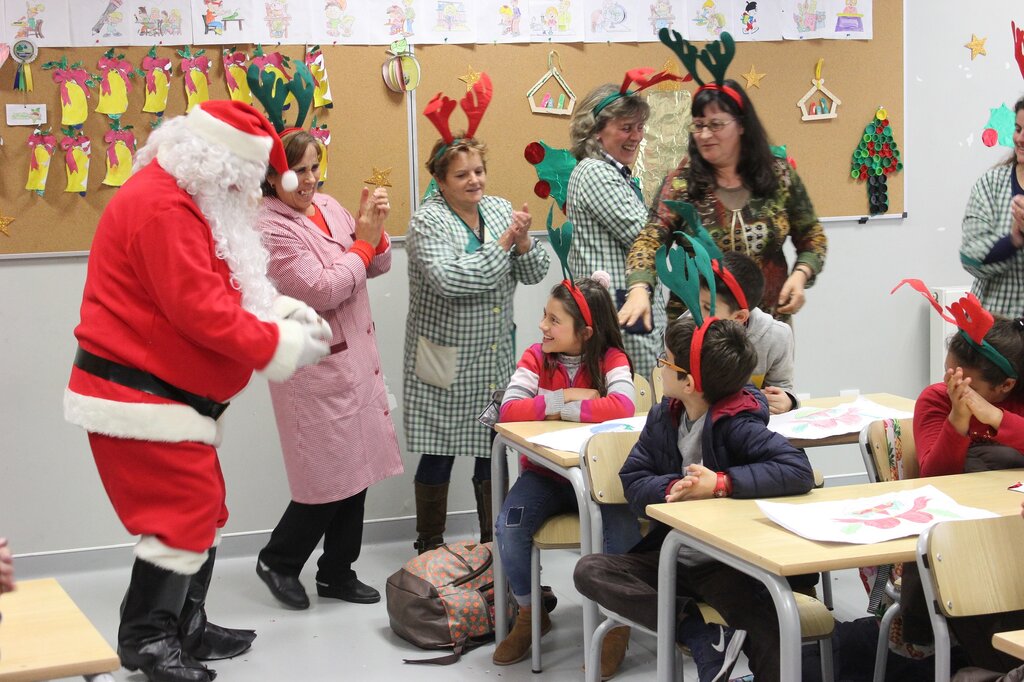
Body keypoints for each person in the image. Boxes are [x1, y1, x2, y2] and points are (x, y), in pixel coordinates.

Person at [63, 100, 331, 682]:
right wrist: (278, 343)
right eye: (243, 181)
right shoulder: (163, 207)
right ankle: (147, 641)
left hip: (171, 401)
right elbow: (200, 309)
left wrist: (281, 311)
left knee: (204, 510)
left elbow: (228, 283)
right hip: (138, 399)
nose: (248, 195)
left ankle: (186, 627)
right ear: (215, 164)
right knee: (180, 517)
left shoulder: (192, 200)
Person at [574, 316, 815, 681]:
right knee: (591, 570)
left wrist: (720, 483)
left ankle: (706, 636)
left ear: (688, 382)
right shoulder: (664, 416)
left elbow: (797, 470)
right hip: (674, 556)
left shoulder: (738, 422)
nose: (660, 366)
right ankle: (699, 634)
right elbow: (633, 479)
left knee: (772, 637)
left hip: (726, 563)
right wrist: (673, 488)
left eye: (666, 361)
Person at [253, 130, 404, 610]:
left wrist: (375, 233)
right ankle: (278, 560)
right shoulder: (267, 228)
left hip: (355, 360)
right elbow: (322, 288)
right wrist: (363, 244)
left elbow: (375, 265)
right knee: (327, 478)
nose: (309, 180)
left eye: (315, 167)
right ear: (272, 176)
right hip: (315, 370)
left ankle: (337, 571)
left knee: (355, 473)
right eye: (297, 171)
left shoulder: (330, 206)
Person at [405, 78, 550, 554]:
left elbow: (533, 273)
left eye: (480, 171)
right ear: (440, 180)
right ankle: (429, 546)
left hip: (493, 356)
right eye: (462, 174)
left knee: (492, 449)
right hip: (443, 358)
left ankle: (494, 545)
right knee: (441, 448)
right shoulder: (427, 221)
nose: (475, 181)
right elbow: (452, 279)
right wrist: (505, 243)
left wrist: (524, 242)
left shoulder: (499, 210)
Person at [492, 276, 640, 673]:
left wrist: (553, 407)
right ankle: (530, 613)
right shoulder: (536, 357)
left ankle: (617, 622)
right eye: (545, 316)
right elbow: (509, 410)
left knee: (623, 533)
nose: (543, 325)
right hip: (545, 476)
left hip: (599, 479)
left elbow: (623, 406)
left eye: (554, 320)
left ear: (586, 332)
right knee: (508, 527)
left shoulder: (612, 358)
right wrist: (567, 398)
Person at [619, 78, 827, 328]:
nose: (705, 135)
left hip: (766, 325)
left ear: (742, 125)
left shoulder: (779, 176)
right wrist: (639, 288)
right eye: (699, 125)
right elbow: (650, 239)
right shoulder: (681, 184)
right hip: (700, 329)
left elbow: (812, 235)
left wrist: (801, 274)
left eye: (716, 124)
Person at [566, 81, 666, 380]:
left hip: (626, 306)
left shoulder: (614, 174)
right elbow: (646, 237)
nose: (636, 136)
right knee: (641, 390)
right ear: (597, 130)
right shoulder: (596, 172)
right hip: (624, 310)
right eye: (626, 128)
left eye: (640, 127)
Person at [914, 317, 1024, 478]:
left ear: (1006, 385)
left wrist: (996, 416)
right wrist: (958, 418)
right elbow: (934, 477)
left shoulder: (1018, 399)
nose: (951, 386)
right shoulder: (936, 399)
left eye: (967, 386)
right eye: (948, 372)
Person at [698, 251, 797, 414]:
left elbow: (783, 387)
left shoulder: (777, 336)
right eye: (698, 303)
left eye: (708, 308)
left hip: (752, 423)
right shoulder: (687, 329)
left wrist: (787, 400)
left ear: (739, 316)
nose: (697, 314)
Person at [960, 96, 1024, 318]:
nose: (1020, 139)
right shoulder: (991, 184)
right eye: (1018, 129)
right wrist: (1013, 239)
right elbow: (970, 256)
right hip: (993, 330)